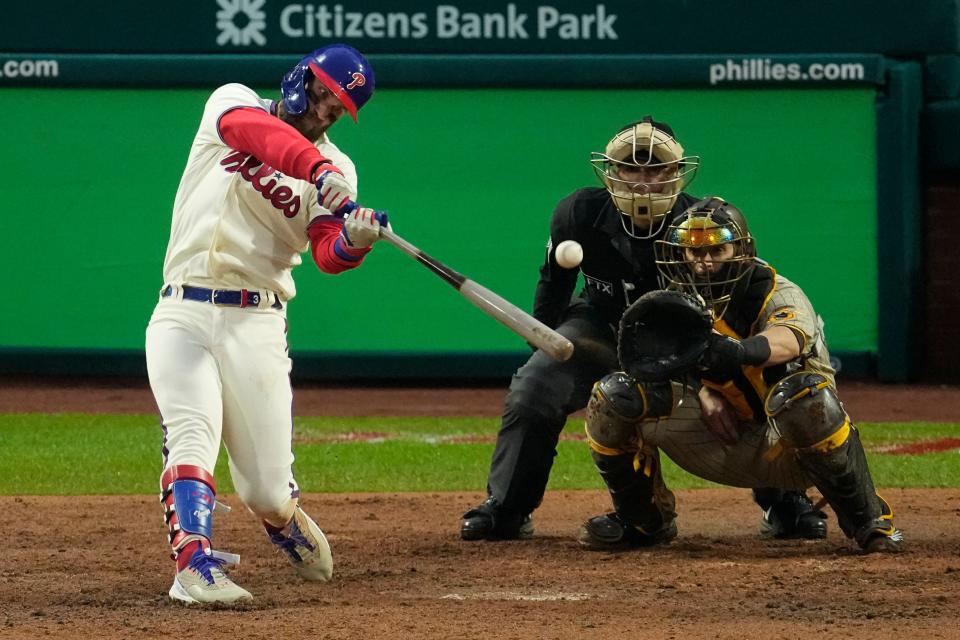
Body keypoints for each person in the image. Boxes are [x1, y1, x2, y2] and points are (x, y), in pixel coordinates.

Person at [459, 118, 824, 541]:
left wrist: (707, 386)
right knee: (535, 387)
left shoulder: (700, 222)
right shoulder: (576, 214)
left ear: (676, 173)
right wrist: (542, 342)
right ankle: (507, 507)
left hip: (685, 338)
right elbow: (553, 291)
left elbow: (724, 308)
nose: (644, 181)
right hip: (600, 326)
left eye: (656, 170)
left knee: (747, 383)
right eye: (632, 168)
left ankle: (785, 499)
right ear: (612, 172)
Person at [145, 44, 385, 605]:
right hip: (182, 308)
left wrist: (354, 239)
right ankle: (193, 565)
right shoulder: (232, 103)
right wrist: (316, 169)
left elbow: (326, 251)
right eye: (324, 93)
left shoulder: (340, 171)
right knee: (192, 430)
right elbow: (254, 133)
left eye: (338, 108)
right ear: (302, 76)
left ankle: (281, 518)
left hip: (256, 321)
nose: (325, 111)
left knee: (266, 491)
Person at [577, 196, 903, 553]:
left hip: (788, 444)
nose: (703, 264)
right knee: (613, 396)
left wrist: (737, 352)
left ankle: (869, 523)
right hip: (718, 436)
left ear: (740, 250)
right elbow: (658, 367)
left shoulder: (775, 292)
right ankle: (643, 520)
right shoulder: (674, 298)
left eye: (716, 251)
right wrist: (701, 391)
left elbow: (788, 340)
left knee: (803, 397)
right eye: (692, 252)